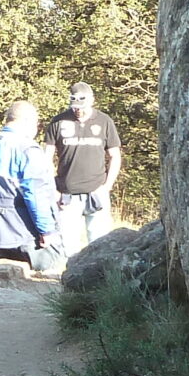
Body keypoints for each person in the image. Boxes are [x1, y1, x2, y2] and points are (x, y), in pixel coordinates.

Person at [0, 101, 57, 267]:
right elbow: (35, 193)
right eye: (36, 124)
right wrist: (46, 230)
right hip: (23, 234)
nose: (36, 129)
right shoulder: (27, 149)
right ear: (27, 121)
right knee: (48, 273)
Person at [48, 82, 122, 255]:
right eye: (75, 107)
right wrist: (53, 190)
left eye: (82, 107)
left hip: (96, 192)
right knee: (67, 247)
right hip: (66, 194)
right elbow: (46, 157)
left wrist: (107, 186)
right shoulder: (58, 122)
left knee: (100, 246)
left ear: (92, 101)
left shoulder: (105, 122)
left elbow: (115, 156)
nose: (78, 111)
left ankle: (99, 280)